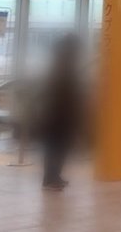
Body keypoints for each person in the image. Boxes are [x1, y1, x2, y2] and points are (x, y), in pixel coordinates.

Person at [36, 33, 83, 191]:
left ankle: (54, 176)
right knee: (56, 147)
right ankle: (50, 178)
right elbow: (65, 94)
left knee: (59, 147)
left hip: (57, 115)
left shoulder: (61, 65)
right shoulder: (63, 67)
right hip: (58, 116)